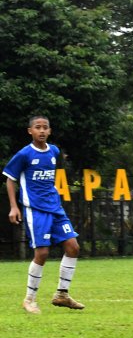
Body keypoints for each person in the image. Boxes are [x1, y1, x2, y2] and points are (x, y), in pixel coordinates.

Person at [3, 116, 84, 314]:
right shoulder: (24, 154)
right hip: (35, 209)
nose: (41, 130)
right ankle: (29, 299)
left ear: (49, 131)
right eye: (37, 127)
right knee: (42, 253)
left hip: (55, 207)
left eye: (45, 127)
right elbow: (10, 180)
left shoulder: (54, 151)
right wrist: (14, 207)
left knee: (73, 247)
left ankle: (62, 294)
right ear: (30, 131)